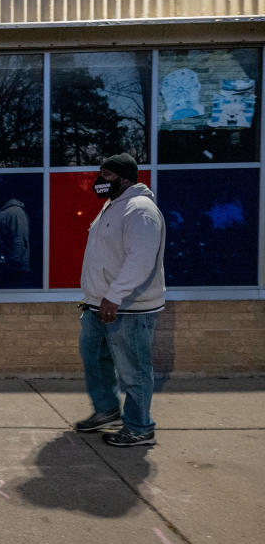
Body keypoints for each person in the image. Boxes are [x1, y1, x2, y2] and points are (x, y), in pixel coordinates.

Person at [75, 153, 166, 447]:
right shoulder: (111, 207)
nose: (101, 179)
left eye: (108, 175)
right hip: (97, 304)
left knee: (134, 369)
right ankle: (107, 411)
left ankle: (140, 427)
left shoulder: (140, 210)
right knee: (95, 360)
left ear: (125, 178)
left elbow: (140, 259)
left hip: (128, 308)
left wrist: (114, 296)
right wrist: (96, 297)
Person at [0, 198, 30, 287]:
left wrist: (10, 267)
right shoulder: (5, 212)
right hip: (3, 270)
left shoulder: (15, 212)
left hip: (12, 273)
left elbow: (19, 241)